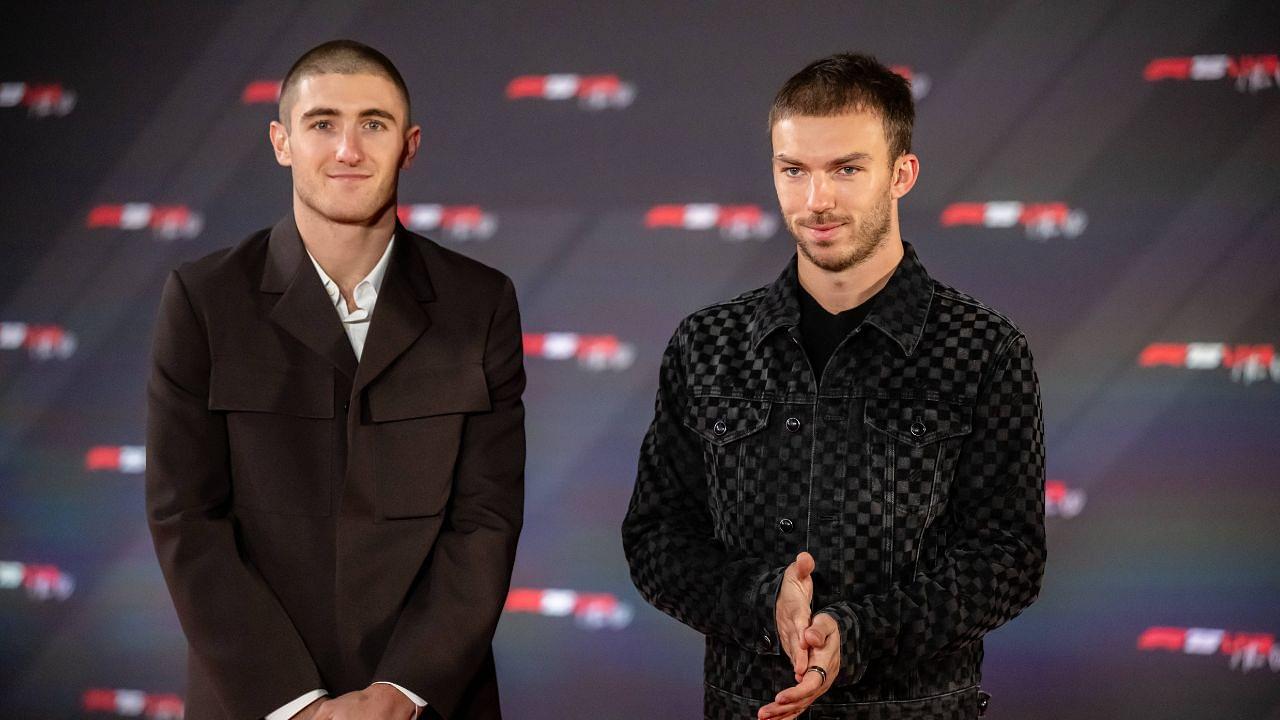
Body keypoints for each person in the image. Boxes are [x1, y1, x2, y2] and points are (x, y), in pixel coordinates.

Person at [622, 52, 1046, 719]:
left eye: (846, 169)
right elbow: (656, 539)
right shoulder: (708, 345)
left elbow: (1008, 559)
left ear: (901, 174)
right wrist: (765, 604)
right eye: (795, 171)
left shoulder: (984, 350)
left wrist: (858, 631)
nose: (817, 199)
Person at [146, 40, 524, 720]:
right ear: (281, 141)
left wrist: (401, 691)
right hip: (254, 702)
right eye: (323, 123)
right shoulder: (204, 299)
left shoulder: (482, 303)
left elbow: (485, 520)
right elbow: (187, 519)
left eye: (373, 124)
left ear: (409, 146)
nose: (348, 149)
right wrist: (299, 704)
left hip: (430, 703)